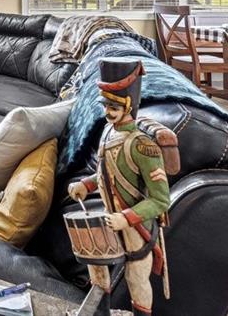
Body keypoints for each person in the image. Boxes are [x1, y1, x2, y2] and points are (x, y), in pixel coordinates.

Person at [67, 58, 172, 315]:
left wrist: (126, 218)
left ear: (128, 105)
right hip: (109, 219)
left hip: (136, 228)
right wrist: (86, 184)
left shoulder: (143, 146)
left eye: (114, 106)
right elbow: (107, 175)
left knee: (136, 281)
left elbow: (161, 200)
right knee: (97, 273)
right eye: (106, 104)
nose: (108, 111)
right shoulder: (107, 133)